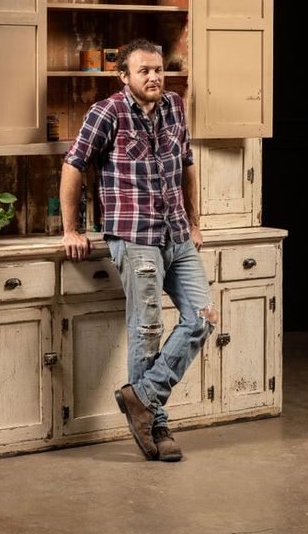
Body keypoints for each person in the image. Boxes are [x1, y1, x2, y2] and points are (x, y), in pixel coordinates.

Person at [60, 38, 218, 462]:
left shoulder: (174, 107)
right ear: (124, 75)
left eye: (158, 69)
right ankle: (157, 427)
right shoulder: (106, 113)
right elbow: (73, 165)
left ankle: (141, 397)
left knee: (202, 318)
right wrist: (70, 229)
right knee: (147, 331)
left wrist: (195, 221)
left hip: (177, 235)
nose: (154, 77)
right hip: (134, 237)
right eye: (144, 70)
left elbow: (186, 163)